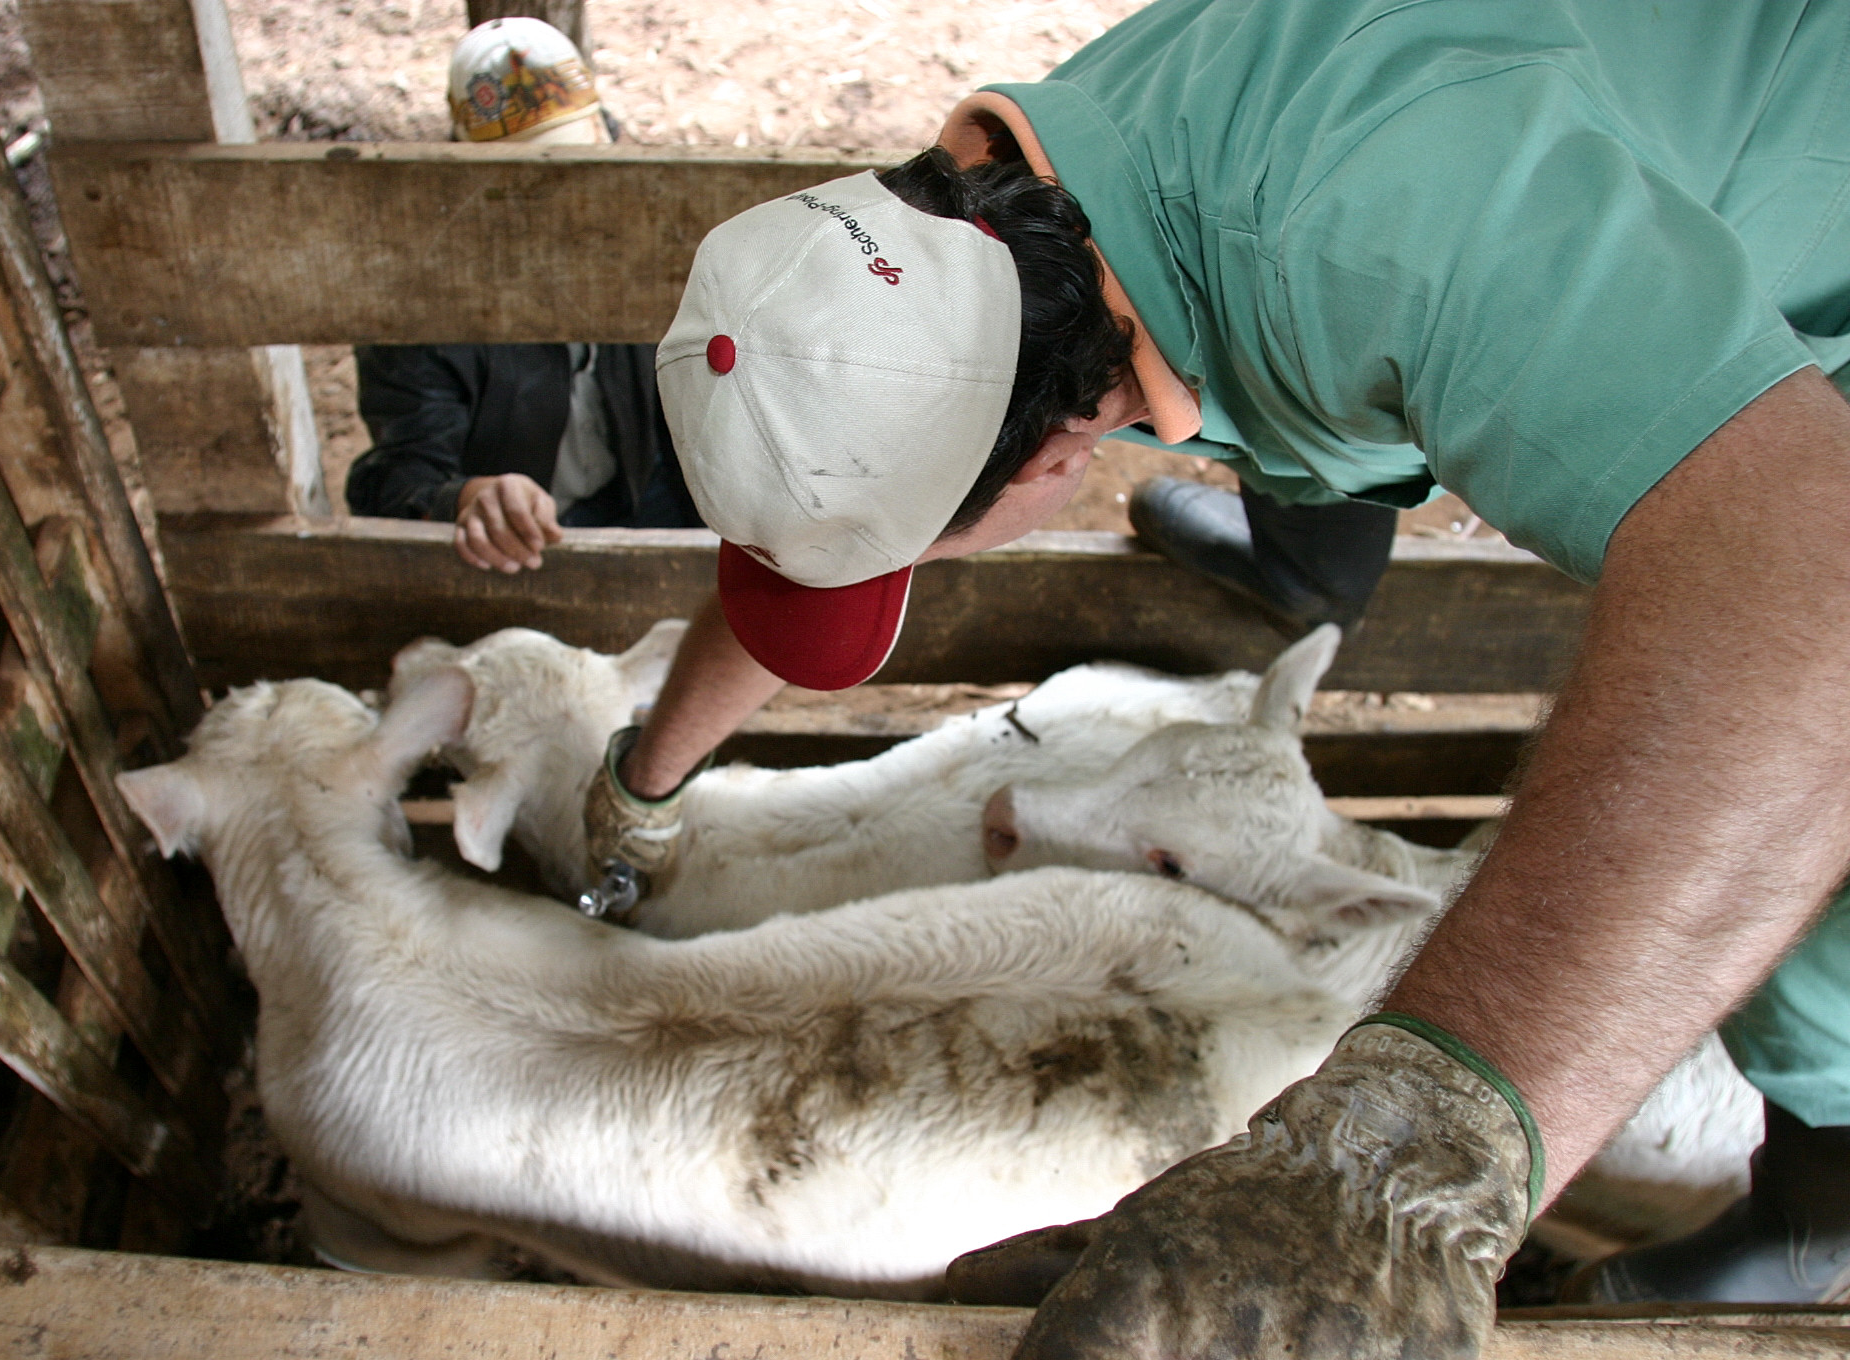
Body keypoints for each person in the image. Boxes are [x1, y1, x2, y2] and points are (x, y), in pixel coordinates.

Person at [578, 0, 1850, 1348]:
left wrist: (1401, 1167)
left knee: (1792, 821)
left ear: (1055, 464)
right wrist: (644, 783)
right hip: (1649, 224)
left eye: (907, 555)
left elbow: (1814, 587)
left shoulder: (1383, 244)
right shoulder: (949, 236)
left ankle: (1813, 1214)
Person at [344, 18, 701, 570]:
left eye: (580, 167)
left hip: (642, 489)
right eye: (526, 184)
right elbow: (398, 476)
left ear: (608, 138)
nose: (563, 201)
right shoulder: (418, 298)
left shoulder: (647, 241)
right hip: (522, 540)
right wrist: (468, 498)